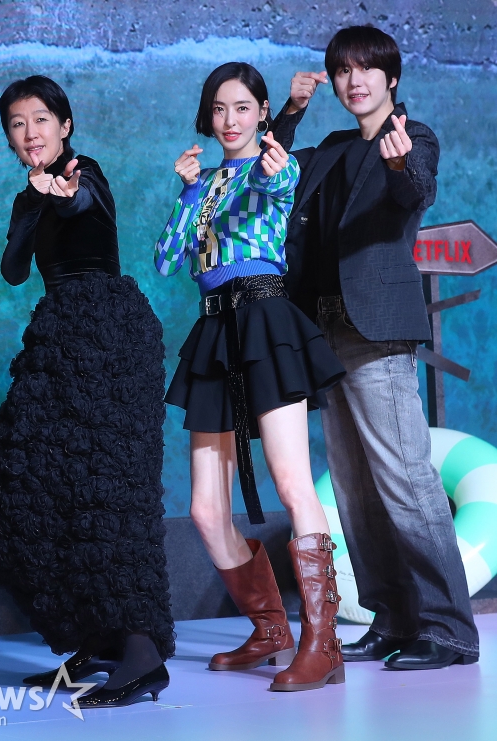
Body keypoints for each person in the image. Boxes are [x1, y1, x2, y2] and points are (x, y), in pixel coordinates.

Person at [269, 25, 479, 670]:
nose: (354, 80)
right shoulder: (331, 149)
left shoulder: (413, 137)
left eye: (366, 69)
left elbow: (416, 190)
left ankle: (448, 630)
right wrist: (291, 111)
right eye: (342, 71)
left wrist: (397, 162)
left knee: (406, 480)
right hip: (323, 330)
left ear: (391, 78)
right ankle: (392, 619)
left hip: (377, 331)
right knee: (355, 487)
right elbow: (269, 162)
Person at [0, 75, 173, 708]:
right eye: (16, 124)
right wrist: (34, 203)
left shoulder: (88, 175)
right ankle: (101, 636)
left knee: (108, 493)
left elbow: (82, 203)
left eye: (40, 120)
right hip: (60, 335)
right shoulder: (26, 195)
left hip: (109, 331)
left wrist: (59, 196)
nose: (29, 133)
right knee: (22, 486)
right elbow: (13, 270)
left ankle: (141, 654)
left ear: (65, 126)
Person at [155, 62, 347, 692]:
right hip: (215, 330)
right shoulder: (204, 184)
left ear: (263, 112)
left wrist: (270, 162)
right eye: (219, 109)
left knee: (292, 483)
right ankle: (270, 630)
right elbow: (167, 261)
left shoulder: (274, 165)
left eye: (242, 107)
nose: (229, 120)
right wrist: (189, 192)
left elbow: (275, 179)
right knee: (205, 509)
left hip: (265, 321)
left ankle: (324, 645)